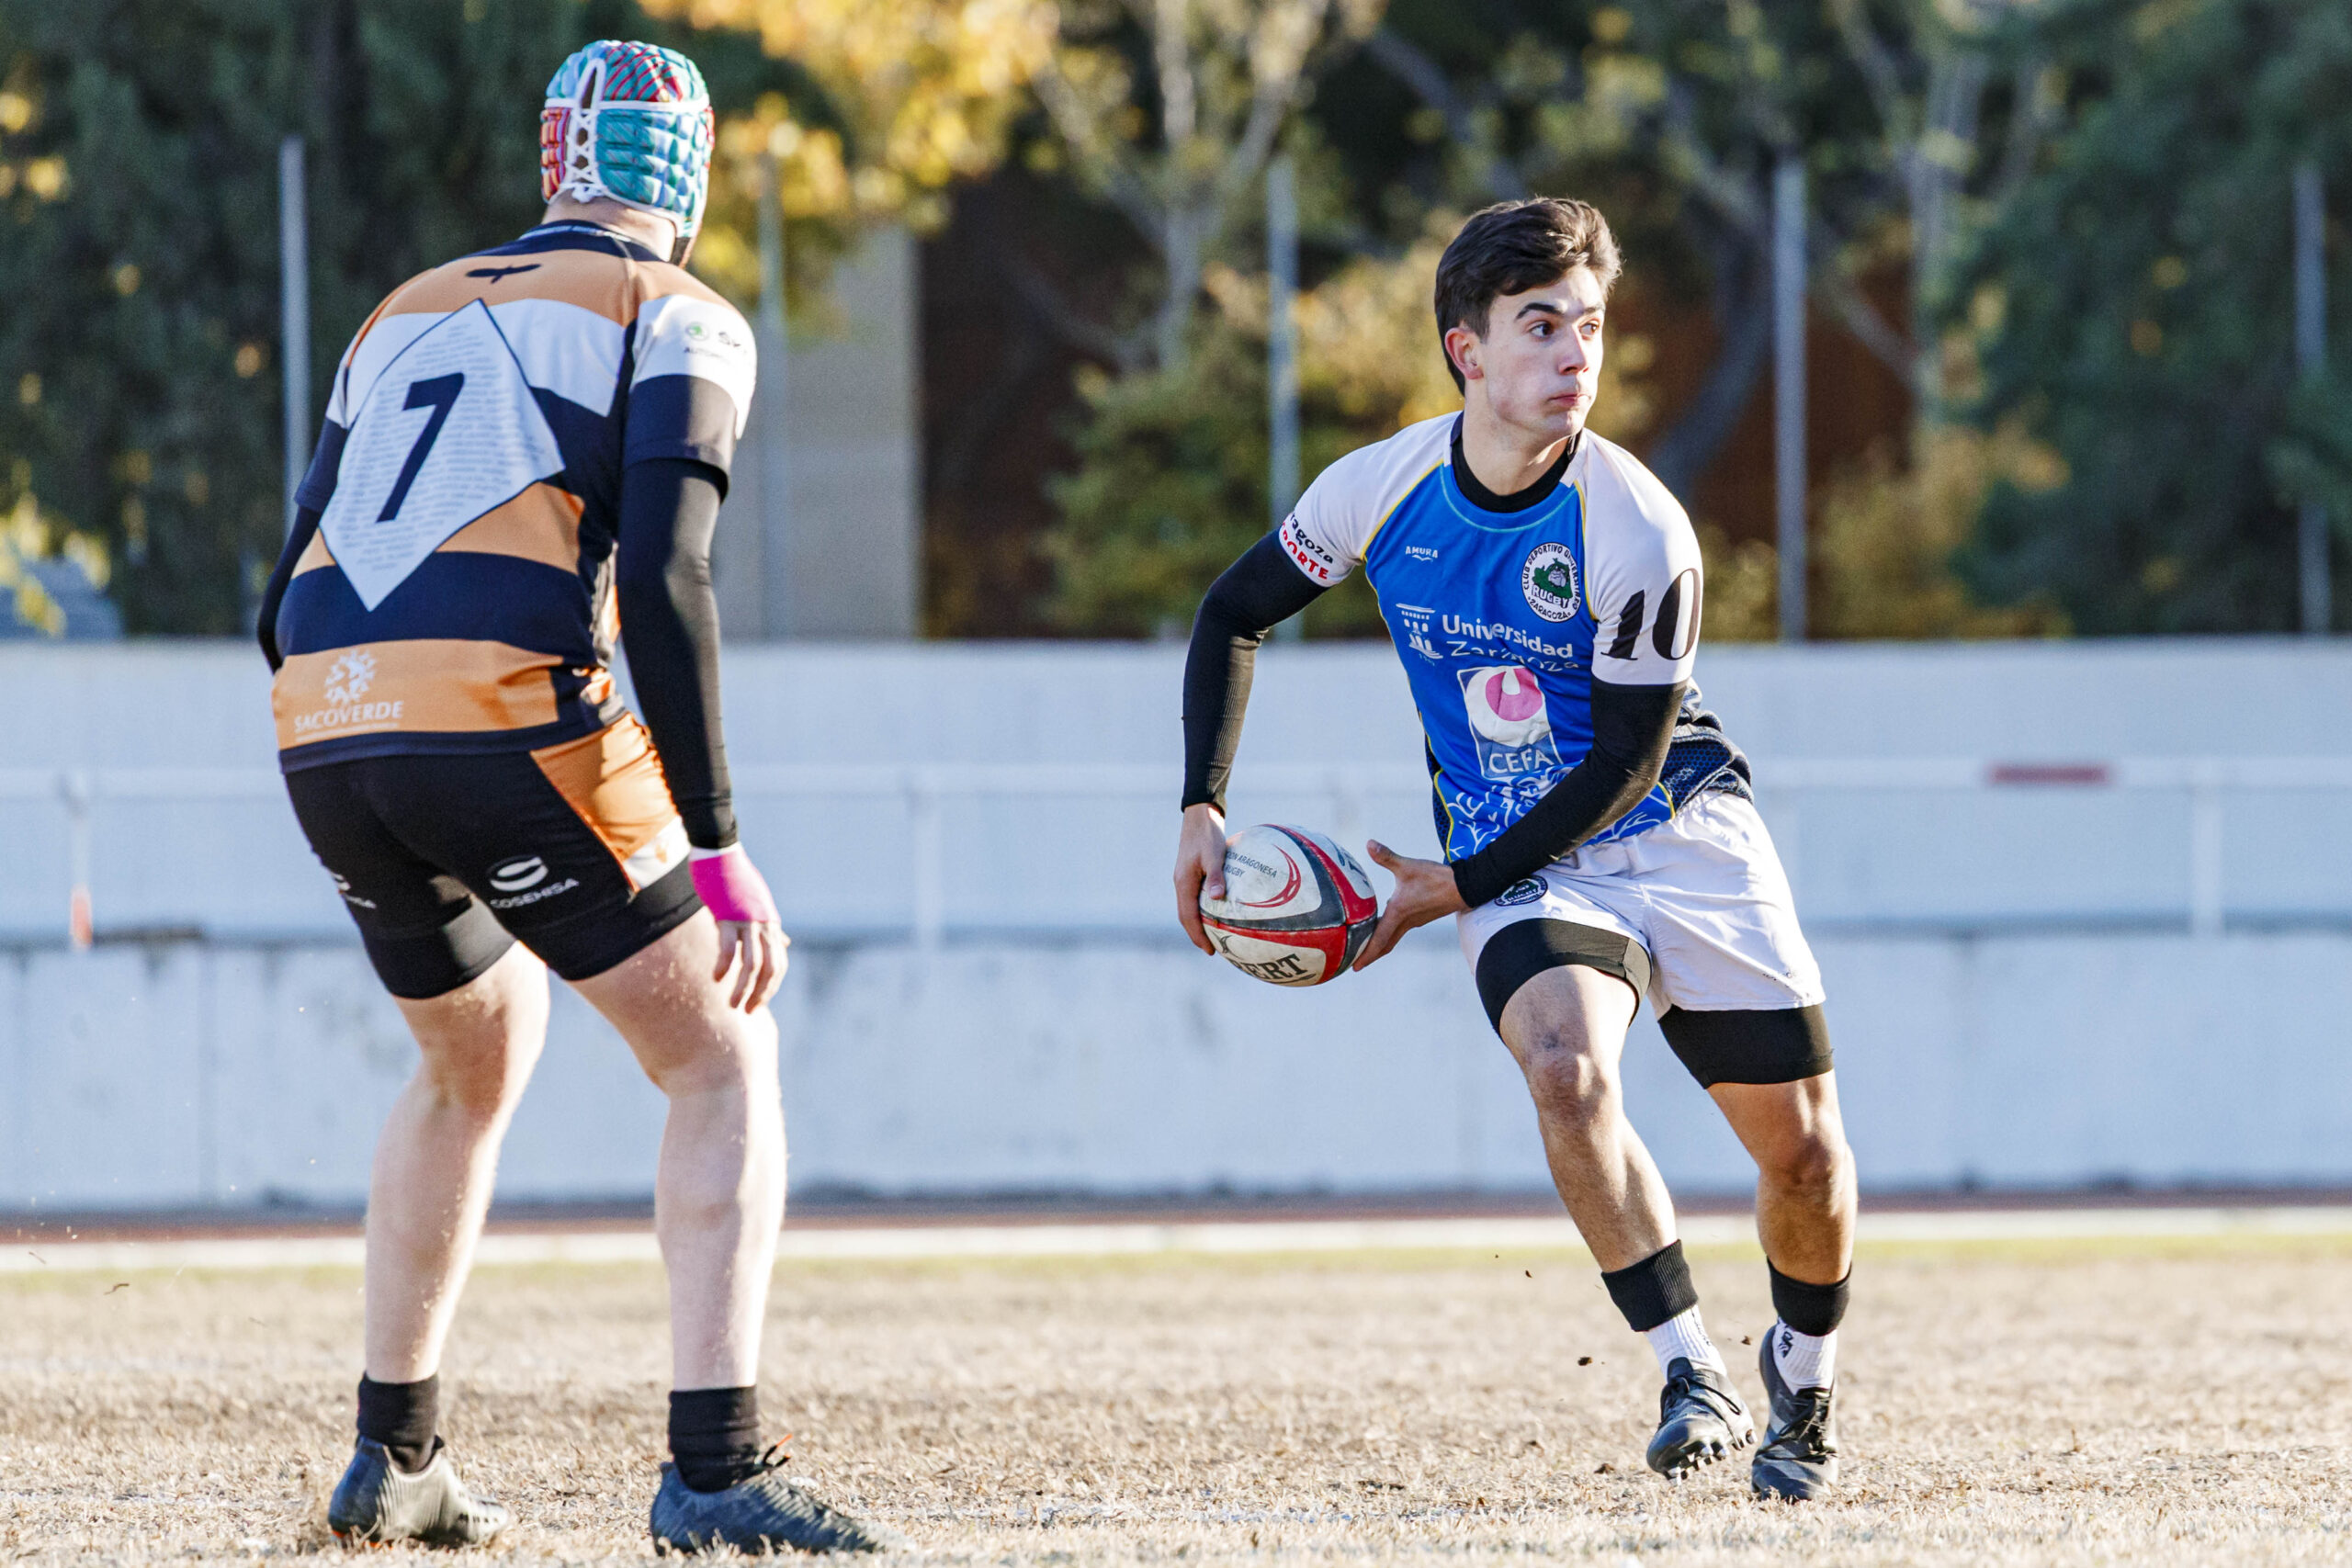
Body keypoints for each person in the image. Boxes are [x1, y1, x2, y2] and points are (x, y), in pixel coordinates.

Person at [255, 40, 893, 1554]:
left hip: (324, 733)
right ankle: (716, 1474)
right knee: (724, 1059)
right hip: (500, 719)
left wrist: (382, 718)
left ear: (554, 157)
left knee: (474, 1060)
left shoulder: (399, 308)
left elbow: (281, 600)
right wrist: (722, 850)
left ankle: (393, 1457)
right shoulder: (676, 311)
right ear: (698, 164)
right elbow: (667, 584)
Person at [1172, 197, 1853, 1501]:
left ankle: (1803, 1384)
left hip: (1678, 830)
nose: (1573, 356)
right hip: (1523, 856)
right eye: (1540, 326)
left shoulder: (1639, 528)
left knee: (1806, 1156)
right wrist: (1202, 804)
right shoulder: (1380, 489)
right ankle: (1685, 1366)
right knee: (1565, 1074)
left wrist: (1444, 891)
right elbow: (1233, 611)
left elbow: (1623, 768)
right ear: (1465, 351)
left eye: (1588, 327)